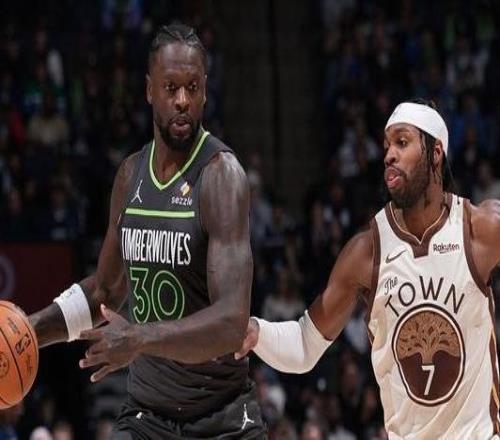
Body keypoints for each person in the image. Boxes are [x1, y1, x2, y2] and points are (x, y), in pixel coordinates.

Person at [29, 23, 265, 439]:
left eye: (193, 88)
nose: (182, 100)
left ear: (205, 91)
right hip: (148, 416)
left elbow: (232, 321)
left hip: (220, 419)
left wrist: (138, 339)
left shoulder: (221, 176)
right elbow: (105, 291)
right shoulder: (130, 175)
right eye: (171, 87)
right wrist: (29, 332)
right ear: (149, 90)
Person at [236, 99, 500, 439]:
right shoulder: (366, 252)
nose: (389, 155)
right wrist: (256, 331)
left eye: (402, 142)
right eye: (387, 145)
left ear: (436, 153)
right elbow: (304, 345)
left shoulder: (480, 229)